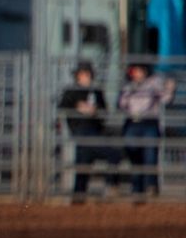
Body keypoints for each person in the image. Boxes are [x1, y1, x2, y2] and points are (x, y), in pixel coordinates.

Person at [57, 61, 118, 202]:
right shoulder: (72, 91)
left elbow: (104, 111)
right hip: (80, 130)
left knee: (85, 161)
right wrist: (78, 106)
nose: (86, 77)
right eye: (83, 74)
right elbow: (63, 106)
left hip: (94, 130)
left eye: (88, 73)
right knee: (108, 155)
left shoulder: (96, 91)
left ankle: (80, 195)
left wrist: (95, 110)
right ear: (78, 76)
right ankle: (101, 188)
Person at [118, 62, 176, 199]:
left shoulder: (154, 83)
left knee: (150, 156)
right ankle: (137, 188)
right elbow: (122, 104)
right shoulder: (128, 85)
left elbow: (166, 99)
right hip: (133, 123)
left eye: (140, 71)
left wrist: (170, 89)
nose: (137, 74)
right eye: (135, 71)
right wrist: (130, 91)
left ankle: (151, 185)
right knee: (134, 155)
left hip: (149, 122)